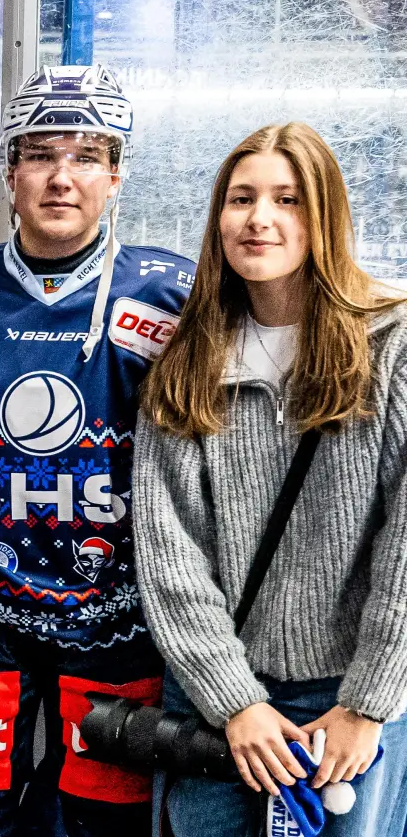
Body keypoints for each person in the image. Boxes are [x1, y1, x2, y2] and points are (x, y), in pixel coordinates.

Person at [0, 64, 195, 837]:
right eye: (40, 155)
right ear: (10, 172)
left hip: (119, 619)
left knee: (98, 822)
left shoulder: (171, 297)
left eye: (87, 155)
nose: (63, 178)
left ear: (115, 175)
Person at [135, 122, 407, 836]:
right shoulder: (189, 359)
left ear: (327, 216)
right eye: (240, 199)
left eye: (289, 200)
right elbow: (170, 555)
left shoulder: (394, 346)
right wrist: (235, 702)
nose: (259, 219)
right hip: (218, 702)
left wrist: (369, 703)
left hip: (346, 703)